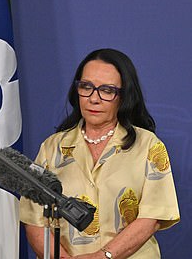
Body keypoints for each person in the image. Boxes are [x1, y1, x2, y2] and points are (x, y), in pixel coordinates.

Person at [20, 48, 180, 258]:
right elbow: (34, 219)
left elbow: (153, 216)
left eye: (107, 90)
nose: (94, 99)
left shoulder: (148, 146)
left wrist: (102, 256)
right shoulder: (51, 148)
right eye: (86, 87)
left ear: (123, 96)